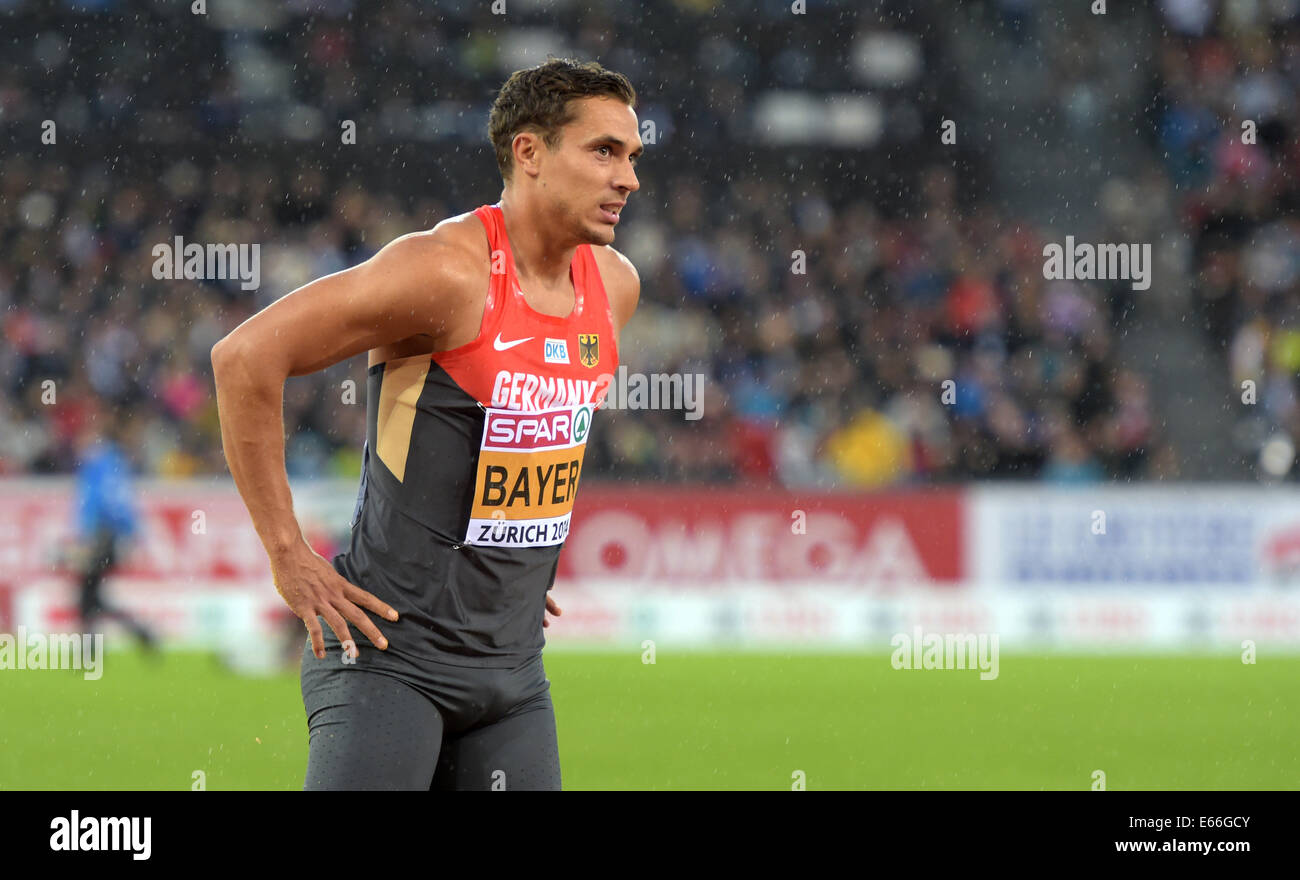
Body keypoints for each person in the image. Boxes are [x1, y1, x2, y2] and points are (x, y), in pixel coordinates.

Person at [212, 58, 642, 790]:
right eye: (604, 151)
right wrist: (288, 554)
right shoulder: (444, 274)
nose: (628, 178)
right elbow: (245, 357)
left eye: (632, 157)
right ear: (529, 153)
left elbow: (530, 434)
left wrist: (498, 540)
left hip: (512, 678)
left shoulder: (615, 287)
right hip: (389, 662)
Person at [73, 411, 159, 658]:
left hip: (100, 539)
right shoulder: (116, 463)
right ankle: (139, 634)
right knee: (92, 597)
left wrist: (86, 537)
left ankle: (90, 652)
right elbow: (123, 504)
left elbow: (95, 503)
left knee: (87, 597)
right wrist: (130, 535)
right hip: (111, 539)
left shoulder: (97, 463)